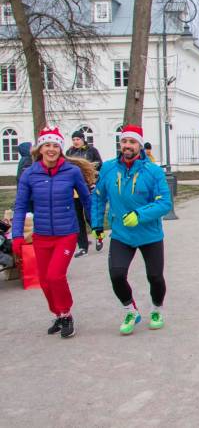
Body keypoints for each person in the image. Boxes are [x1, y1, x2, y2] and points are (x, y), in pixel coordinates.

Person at [11, 127, 95, 339]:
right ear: (40, 149)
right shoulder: (29, 174)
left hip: (66, 233)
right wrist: (17, 235)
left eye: (55, 145)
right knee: (45, 281)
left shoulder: (71, 171)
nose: (51, 149)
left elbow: (87, 199)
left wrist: (95, 224)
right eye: (47, 145)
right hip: (41, 235)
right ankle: (58, 313)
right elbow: (20, 207)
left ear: (60, 149)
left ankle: (66, 314)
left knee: (55, 276)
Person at [91, 125, 173, 335]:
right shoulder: (108, 168)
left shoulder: (153, 171)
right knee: (117, 275)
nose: (127, 145)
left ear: (140, 145)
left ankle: (156, 309)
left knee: (155, 277)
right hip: (121, 234)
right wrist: (97, 225)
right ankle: (130, 310)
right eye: (124, 141)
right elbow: (98, 197)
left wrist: (140, 215)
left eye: (132, 142)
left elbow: (165, 202)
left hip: (149, 234)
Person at [66, 130, 103, 257]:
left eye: (78, 139)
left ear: (83, 139)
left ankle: (98, 236)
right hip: (73, 190)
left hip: (88, 188)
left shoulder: (91, 151)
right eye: (73, 139)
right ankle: (82, 247)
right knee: (77, 219)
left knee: (89, 216)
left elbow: (99, 165)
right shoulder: (69, 152)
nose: (75, 141)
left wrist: (93, 177)